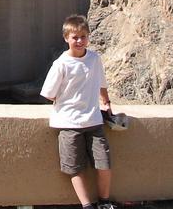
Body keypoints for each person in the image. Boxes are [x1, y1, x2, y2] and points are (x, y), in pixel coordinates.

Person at [40, 15, 117, 209]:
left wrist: (106, 103)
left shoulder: (94, 59)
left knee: (104, 164)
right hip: (68, 123)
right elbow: (49, 93)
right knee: (75, 168)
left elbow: (101, 83)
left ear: (88, 37)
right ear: (66, 38)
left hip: (94, 120)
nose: (79, 41)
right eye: (75, 37)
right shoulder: (61, 64)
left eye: (83, 36)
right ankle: (87, 205)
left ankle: (105, 202)